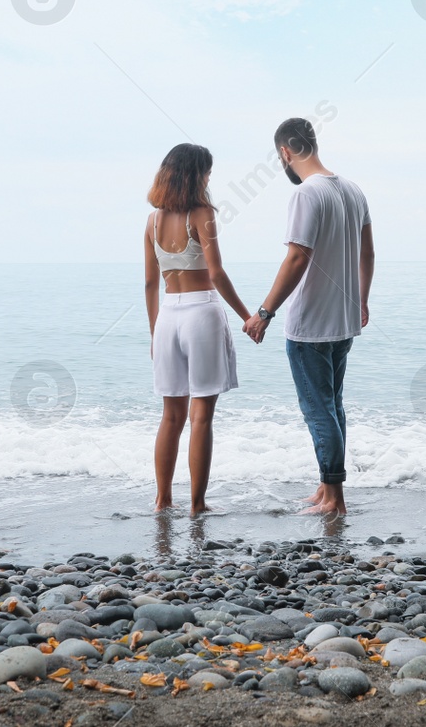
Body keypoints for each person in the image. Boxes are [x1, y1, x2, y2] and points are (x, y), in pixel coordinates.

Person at [244, 119, 373, 516]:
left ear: (285, 152)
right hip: (344, 319)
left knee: (319, 410)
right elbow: (367, 254)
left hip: (311, 325)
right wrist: (362, 301)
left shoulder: (306, 194)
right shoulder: (353, 190)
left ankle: (334, 498)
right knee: (332, 406)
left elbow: (298, 256)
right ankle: (326, 488)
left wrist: (265, 311)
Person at [143, 143, 251, 515]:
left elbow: (150, 284)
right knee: (201, 415)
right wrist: (246, 315)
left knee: (170, 416)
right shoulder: (202, 213)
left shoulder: (152, 221)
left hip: (167, 318)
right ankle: (197, 504)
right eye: (207, 172)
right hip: (201, 311)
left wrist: (154, 333)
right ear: (196, 175)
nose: (209, 179)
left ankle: (162, 500)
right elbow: (216, 273)